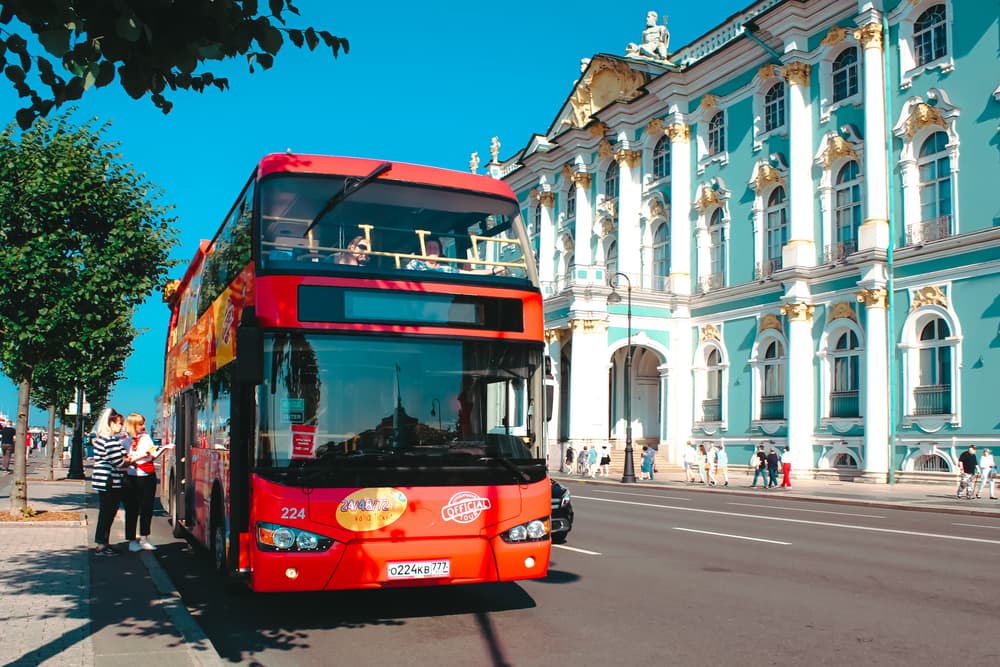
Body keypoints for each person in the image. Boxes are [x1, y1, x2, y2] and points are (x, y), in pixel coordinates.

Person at [123, 412, 171, 552]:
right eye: (140, 424)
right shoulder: (125, 440)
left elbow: (152, 455)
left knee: (146, 508)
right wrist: (137, 457)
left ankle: (144, 537)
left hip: (147, 476)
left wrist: (163, 449)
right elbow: (124, 458)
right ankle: (131, 540)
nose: (143, 427)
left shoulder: (146, 438)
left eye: (143, 424)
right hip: (131, 477)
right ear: (133, 426)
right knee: (132, 509)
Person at [92, 409, 128, 556]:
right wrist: (129, 460)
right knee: (108, 513)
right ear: (111, 423)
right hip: (110, 480)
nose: (121, 427)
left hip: (102, 479)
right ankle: (102, 543)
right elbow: (119, 462)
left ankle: (103, 542)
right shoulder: (111, 441)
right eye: (120, 424)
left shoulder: (102, 439)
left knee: (106, 512)